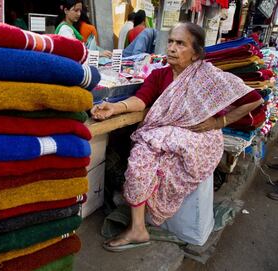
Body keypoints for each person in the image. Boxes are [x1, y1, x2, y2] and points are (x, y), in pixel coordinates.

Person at [91, 22, 263, 251]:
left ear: (196, 53)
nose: (171, 47)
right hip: (163, 133)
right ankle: (138, 228)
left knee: (157, 151)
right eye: (170, 41)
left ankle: (147, 220)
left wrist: (218, 122)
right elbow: (141, 100)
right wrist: (115, 107)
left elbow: (254, 99)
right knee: (141, 154)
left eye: (180, 43)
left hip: (199, 136)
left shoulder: (208, 76)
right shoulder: (159, 75)